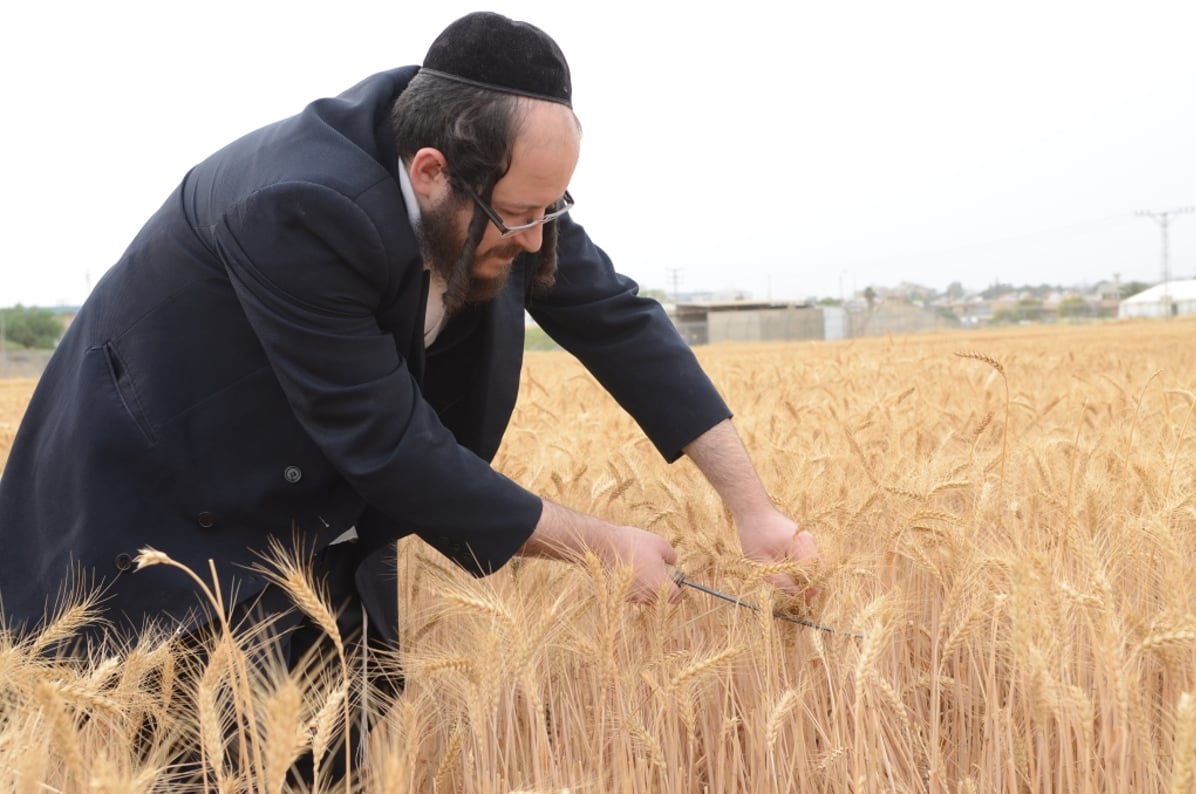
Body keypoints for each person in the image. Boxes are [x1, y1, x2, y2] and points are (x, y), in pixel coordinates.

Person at [0, 12, 818, 654]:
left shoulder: (498, 186)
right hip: (170, 514)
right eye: (521, 216)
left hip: (325, 515)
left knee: (346, 739)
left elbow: (616, 319)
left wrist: (755, 511)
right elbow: (388, 440)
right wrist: (600, 544)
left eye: (553, 211)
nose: (537, 240)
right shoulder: (299, 206)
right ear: (431, 171)